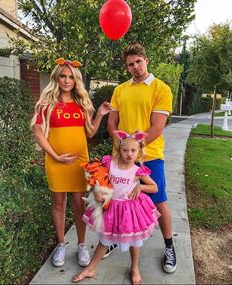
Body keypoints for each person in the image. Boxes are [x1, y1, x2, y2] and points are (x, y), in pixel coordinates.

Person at [30, 57, 111, 268]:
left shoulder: (82, 104)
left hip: (79, 162)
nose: (66, 81)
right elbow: (38, 133)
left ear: (76, 81)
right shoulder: (46, 103)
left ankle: (82, 245)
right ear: (57, 78)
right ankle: (61, 244)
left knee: (78, 204)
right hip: (56, 161)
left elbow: (91, 132)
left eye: (71, 78)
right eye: (63, 76)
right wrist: (55, 156)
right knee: (58, 202)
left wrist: (100, 114)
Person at [107, 42, 177, 273]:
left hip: (150, 157)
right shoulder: (120, 90)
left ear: (146, 60)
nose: (135, 67)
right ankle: (114, 239)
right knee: (119, 199)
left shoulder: (161, 88)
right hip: (122, 156)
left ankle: (169, 246)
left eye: (138, 61)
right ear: (126, 67)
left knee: (158, 201)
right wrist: (121, 147)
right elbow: (112, 122)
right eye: (130, 64)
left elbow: (157, 127)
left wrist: (134, 147)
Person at [72, 130, 160, 285]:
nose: (129, 154)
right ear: (119, 150)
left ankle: (134, 268)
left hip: (130, 211)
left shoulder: (138, 171)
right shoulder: (110, 164)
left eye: (133, 151)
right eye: (125, 150)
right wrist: (96, 191)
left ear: (139, 151)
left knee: (134, 241)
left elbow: (154, 187)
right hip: (111, 209)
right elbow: (96, 179)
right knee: (104, 240)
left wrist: (140, 188)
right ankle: (90, 268)